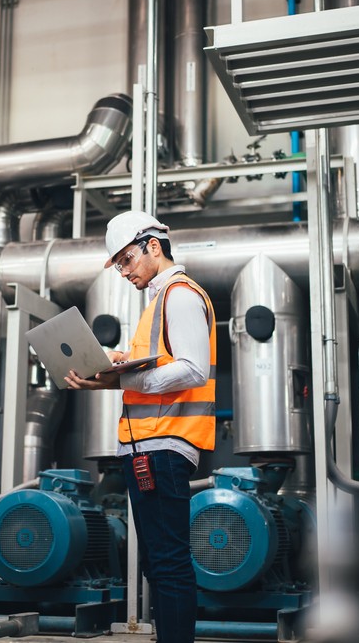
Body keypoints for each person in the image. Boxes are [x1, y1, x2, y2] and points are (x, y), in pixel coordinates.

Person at [65, 210, 216, 643]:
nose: (124, 273)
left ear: (153, 246)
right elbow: (158, 368)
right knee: (157, 561)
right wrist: (113, 368)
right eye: (118, 266)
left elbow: (192, 370)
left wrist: (121, 378)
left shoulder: (179, 294)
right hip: (149, 447)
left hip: (165, 446)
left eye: (126, 261)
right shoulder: (160, 300)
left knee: (167, 563)